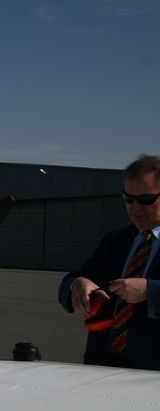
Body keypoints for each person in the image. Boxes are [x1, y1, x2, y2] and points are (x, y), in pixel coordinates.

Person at [58, 154, 160, 370]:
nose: (134, 208)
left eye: (145, 200)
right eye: (128, 199)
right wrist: (77, 284)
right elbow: (72, 279)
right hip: (103, 365)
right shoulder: (116, 239)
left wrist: (150, 291)